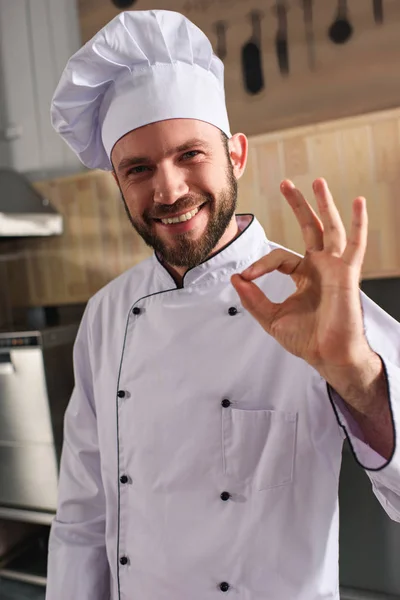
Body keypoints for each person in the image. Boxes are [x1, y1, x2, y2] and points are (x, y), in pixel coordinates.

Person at [46, 9, 400, 600]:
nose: (168, 190)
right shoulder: (106, 315)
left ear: (236, 154)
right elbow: (83, 519)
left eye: (190, 155)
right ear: (118, 183)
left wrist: (356, 377)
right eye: (139, 169)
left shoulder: (314, 294)